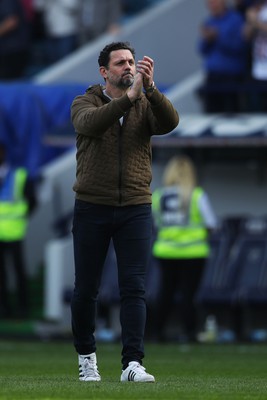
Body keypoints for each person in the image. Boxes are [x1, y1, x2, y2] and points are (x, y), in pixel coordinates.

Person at [70, 41, 179, 382]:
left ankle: (132, 363)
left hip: (134, 205)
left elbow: (171, 122)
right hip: (92, 206)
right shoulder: (84, 101)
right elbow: (90, 124)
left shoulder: (145, 101)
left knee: (134, 287)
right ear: (105, 71)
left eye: (132, 61)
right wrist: (128, 98)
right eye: (120, 63)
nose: (128, 67)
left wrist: (152, 90)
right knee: (86, 288)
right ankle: (87, 360)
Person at [151, 155, 217, 343]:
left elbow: (155, 223)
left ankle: (158, 332)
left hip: (165, 251)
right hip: (193, 252)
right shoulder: (197, 195)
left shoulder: (158, 196)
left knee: (165, 292)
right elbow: (211, 223)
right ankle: (189, 332)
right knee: (188, 294)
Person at [0, 141, 37, 319]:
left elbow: (32, 200)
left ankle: (23, 309)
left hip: (15, 231)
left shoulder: (18, 175)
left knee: (18, 271)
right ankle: (4, 308)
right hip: (6, 232)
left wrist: (22, 217)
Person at [197, 0, 248, 113]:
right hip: (213, 76)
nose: (212, 6)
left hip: (231, 76)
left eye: (215, 2)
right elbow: (201, 49)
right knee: (211, 113)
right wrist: (207, 39)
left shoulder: (236, 19)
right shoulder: (209, 21)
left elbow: (239, 47)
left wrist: (218, 37)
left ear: (223, 2)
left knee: (233, 114)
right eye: (210, 3)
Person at [243, 0, 267, 111]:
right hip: (258, 70)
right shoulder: (256, 9)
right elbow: (245, 36)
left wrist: (255, 22)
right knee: (257, 111)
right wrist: (250, 23)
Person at [0, 0, 30, 80]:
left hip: (13, 50)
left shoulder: (7, 2)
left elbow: (11, 22)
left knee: (12, 82)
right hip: (7, 49)